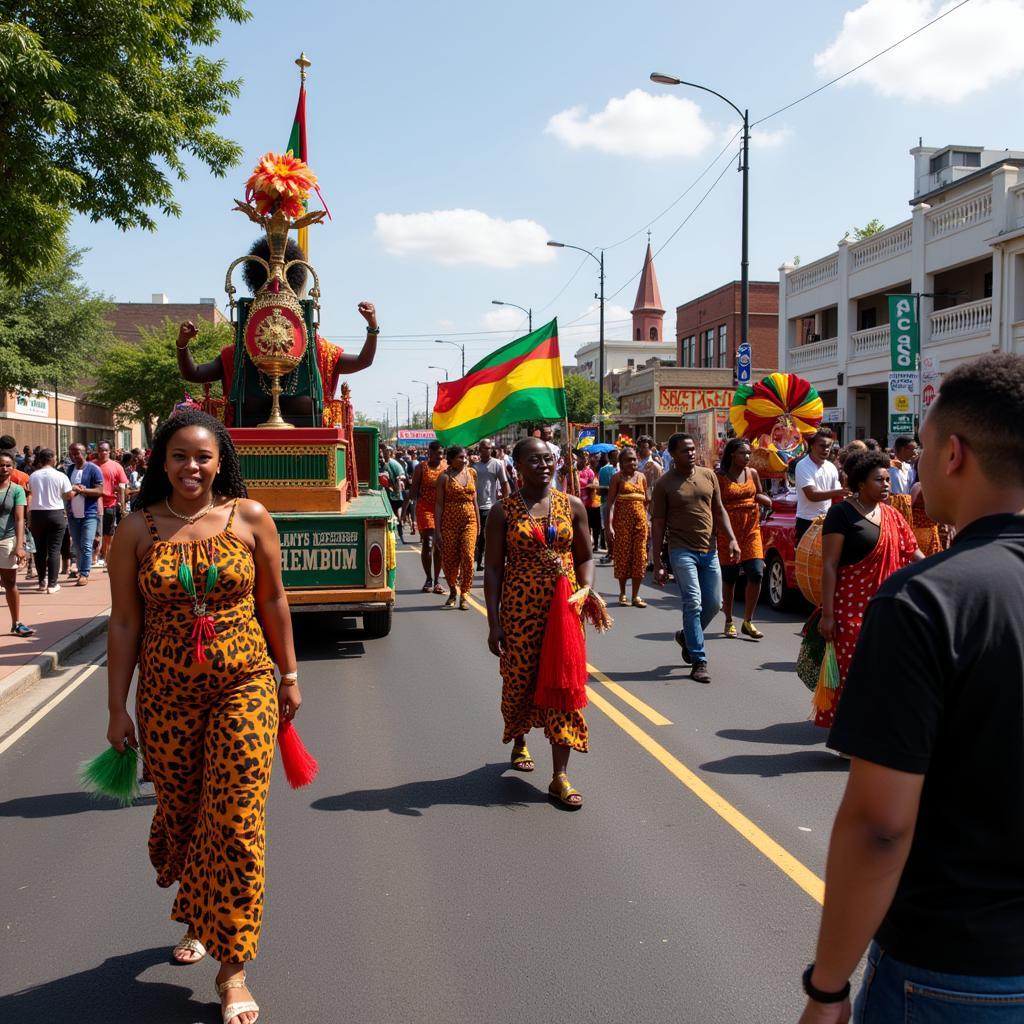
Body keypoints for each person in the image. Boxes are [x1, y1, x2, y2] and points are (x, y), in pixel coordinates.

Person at [797, 353, 1024, 1024]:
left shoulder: (926, 601)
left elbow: (879, 827)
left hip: (954, 972)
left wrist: (828, 987)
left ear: (953, 454)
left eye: (921, 448)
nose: (913, 465)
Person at [105, 409, 299, 1024]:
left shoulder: (249, 518)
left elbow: (272, 596)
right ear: (161, 461)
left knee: (236, 818)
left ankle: (232, 967)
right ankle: (197, 911)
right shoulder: (136, 530)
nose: (193, 467)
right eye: (180, 456)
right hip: (164, 697)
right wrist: (117, 707)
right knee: (184, 812)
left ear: (222, 463)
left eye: (204, 457)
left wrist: (288, 673)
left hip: (243, 686)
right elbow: (124, 621)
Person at [484, 437, 594, 808]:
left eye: (548, 459)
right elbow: (494, 568)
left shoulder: (573, 505)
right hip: (520, 612)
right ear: (516, 465)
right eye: (534, 459)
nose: (544, 465)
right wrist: (494, 622)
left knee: (563, 685)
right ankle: (518, 738)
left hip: (563, 611)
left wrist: (587, 588)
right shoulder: (503, 511)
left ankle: (559, 776)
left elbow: (585, 556)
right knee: (520, 680)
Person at [176, 237, 379, 427]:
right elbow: (193, 373)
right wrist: (182, 344)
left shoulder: (320, 352)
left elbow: (363, 360)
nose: (276, 329)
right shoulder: (235, 356)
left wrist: (372, 327)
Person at [816, 450, 920, 730]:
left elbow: (913, 553)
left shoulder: (893, 515)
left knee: (887, 671)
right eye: (879, 480)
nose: (887, 485)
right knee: (852, 672)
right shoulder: (841, 514)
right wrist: (828, 615)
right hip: (850, 608)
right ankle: (850, 733)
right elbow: (830, 565)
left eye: (888, 479)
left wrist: (944, 568)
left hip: (888, 608)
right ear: (861, 484)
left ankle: (876, 729)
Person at [652, 433, 740, 684]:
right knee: (693, 602)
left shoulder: (708, 475)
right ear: (672, 454)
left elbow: (719, 509)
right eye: (684, 451)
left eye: (692, 449)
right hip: (681, 550)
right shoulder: (664, 484)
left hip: (709, 550)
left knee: (714, 604)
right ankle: (699, 660)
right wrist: (657, 561)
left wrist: (731, 538)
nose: (691, 453)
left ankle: (687, 636)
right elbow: (658, 524)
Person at [716, 439, 772, 639]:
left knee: (756, 573)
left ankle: (748, 621)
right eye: (743, 453)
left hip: (751, 529)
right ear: (732, 455)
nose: (747, 457)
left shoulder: (752, 473)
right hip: (728, 531)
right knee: (730, 578)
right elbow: (716, 505)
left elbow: (759, 494)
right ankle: (729, 620)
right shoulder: (719, 477)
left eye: (749, 453)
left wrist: (765, 500)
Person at [435, 445, 480, 609]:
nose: (464, 459)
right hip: (449, 524)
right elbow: (439, 505)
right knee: (450, 560)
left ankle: (465, 594)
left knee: (468, 556)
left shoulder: (472, 473)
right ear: (451, 460)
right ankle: (453, 589)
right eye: (461, 457)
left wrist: (478, 523)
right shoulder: (444, 478)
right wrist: (437, 530)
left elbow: (475, 499)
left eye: (465, 457)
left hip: (469, 521)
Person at [607, 445, 650, 607]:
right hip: (622, 523)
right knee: (623, 556)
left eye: (634, 459)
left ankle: (636, 596)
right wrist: (609, 526)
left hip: (640, 524)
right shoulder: (617, 478)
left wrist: (648, 521)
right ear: (621, 462)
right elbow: (610, 504)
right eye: (628, 460)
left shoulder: (642, 477)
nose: (632, 462)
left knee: (640, 557)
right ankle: (623, 592)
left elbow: (645, 502)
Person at [402, 440, 445, 593]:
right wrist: (407, 511)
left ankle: (438, 581)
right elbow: (412, 492)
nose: (441, 456)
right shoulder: (421, 468)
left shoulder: (446, 467)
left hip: (442, 509)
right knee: (428, 541)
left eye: (442, 453)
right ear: (430, 453)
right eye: (438, 453)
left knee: (439, 545)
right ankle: (428, 578)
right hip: (425, 508)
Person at [28, 448, 71, 594]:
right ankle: (52, 584)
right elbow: (68, 495)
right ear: (53, 458)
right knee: (54, 549)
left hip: (37, 514)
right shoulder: (60, 475)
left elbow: (32, 492)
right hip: (56, 512)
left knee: (39, 550)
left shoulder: (33, 476)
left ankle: (41, 582)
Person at [0, 454, 33, 636]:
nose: (3, 469)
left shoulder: (17, 490)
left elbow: (20, 519)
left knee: (9, 582)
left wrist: (20, 546)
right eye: (0, 465)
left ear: (13, 467)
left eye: (7, 465)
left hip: (6, 540)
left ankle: (16, 623)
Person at [795, 430, 847, 543]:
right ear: (812, 445)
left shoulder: (831, 467)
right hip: (807, 521)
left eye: (829, 446)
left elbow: (837, 496)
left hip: (828, 521)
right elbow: (812, 495)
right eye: (822, 446)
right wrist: (839, 492)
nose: (826, 449)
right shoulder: (802, 465)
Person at [63, 442, 104, 586]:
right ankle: (81, 569)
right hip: (73, 514)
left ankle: (84, 573)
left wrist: (82, 490)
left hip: (90, 513)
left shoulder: (94, 469)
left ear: (85, 453)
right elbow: (67, 490)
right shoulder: (69, 469)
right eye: (71, 453)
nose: (74, 456)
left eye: (77, 453)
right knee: (78, 544)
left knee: (86, 545)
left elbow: (100, 491)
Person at [473, 439, 509, 571]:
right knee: (479, 535)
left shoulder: (497, 464)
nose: (487, 450)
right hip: (475, 505)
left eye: (489, 448)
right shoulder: (474, 467)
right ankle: (478, 557)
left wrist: (507, 503)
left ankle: (485, 559)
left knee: (487, 534)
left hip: (490, 506)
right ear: (480, 449)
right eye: (484, 448)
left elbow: (505, 484)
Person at [94, 441, 128, 567]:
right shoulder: (92, 466)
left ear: (110, 451)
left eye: (105, 450)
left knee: (108, 532)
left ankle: (107, 557)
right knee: (94, 533)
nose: (103, 453)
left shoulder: (116, 466)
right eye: (101, 450)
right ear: (97, 451)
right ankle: (94, 556)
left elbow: (123, 486)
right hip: (93, 504)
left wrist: (122, 505)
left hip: (109, 503)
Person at [381, 446, 407, 542]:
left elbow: (401, 474)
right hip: (385, 494)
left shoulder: (394, 463)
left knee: (397, 514)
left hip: (394, 494)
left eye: (387, 451)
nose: (385, 453)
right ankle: (390, 534)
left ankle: (401, 534)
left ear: (390, 453)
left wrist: (399, 479)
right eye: (384, 451)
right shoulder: (381, 463)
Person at [597, 449, 619, 561]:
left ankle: (618, 551)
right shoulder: (604, 470)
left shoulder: (623, 469)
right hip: (607, 502)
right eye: (615, 456)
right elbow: (600, 489)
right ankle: (610, 552)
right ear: (610, 458)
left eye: (618, 455)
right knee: (607, 527)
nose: (617, 458)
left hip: (621, 502)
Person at [578, 450, 602, 551]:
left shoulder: (589, 472)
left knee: (593, 524)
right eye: (581, 458)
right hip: (578, 501)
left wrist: (588, 486)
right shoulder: (574, 471)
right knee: (583, 524)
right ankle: (585, 543)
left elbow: (592, 485)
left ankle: (595, 544)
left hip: (589, 501)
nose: (583, 460)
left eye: (585, 458)